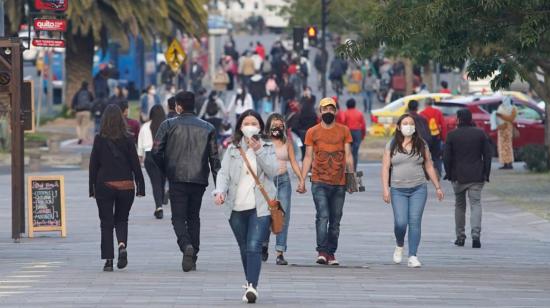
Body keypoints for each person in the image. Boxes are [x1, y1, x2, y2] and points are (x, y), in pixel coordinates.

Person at [213, 110, 278, 303]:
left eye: (254, 123)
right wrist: (219, 191)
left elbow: (274, 171)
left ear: (260, 126)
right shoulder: (232, 149)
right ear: (240, 127)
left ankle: (252, 287)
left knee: (253, 246)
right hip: (236, 207)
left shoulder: (267, 146)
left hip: (260, 206)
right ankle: (250, 281)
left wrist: (258, 150)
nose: (250, 126)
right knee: (244, 247)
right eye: (246, 123)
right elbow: (223, 173)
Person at [153, 91, 221, 272]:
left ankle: (186, 246)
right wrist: (219, 186)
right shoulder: (208, 128)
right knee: (193, 217)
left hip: (177, 178)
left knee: (178, 218)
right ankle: (194, 252)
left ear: (178, 107)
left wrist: (167, 169)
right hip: (199, 179)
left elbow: (156, 151)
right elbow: (215, 159)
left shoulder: (168, 125)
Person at [381, 113, 444, 268]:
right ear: (398, 126)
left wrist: (437, 186)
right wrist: (385, 189)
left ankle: (413, 255)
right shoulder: (391, 144)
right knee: (401, 223)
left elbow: (429, 165)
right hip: (398, 189)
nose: (408, 126)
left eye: (411, 124)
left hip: (418, 188)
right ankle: (399, 244)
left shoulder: (421, 144)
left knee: (415, 221)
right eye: (405, 123)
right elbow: (385, 168)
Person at [297, 97, 354, 266]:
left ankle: (331, 253)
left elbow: (349, 156)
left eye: (331, 109)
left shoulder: (344, 130)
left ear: (336, 111)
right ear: (320, 112)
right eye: (325, 109)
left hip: (340, 183)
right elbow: (308, 157)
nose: (328, 112)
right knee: (323, 216)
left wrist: (353, 182)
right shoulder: (312, 132)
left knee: (335, 220)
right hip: (319, 181)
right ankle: (321, 251)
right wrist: (302, 181)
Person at [89, 104, 145, 272]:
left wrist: (92, 188)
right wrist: (140, 186)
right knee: (122, 219)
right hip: (126, 185)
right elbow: (135, 164)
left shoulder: (99, 139)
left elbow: (93, 165)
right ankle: (122, 245)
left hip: (105, 185)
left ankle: (108, 260)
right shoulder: (128, 138)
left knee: (106, 223)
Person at [443, 109, 492, 249]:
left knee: (459, 205)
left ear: (458, 119)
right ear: (470, 119)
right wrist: (486, 174)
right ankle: (476, 236)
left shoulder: (452, 135)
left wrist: (448, 173)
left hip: (458, 176)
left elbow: (446, 157)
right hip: (477, 176)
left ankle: (460, 237)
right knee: (476, 204)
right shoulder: (480, 133)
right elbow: (487, 155)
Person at [261, 113, 304, 265]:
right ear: (269, 126)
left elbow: (293, 162)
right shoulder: (263, 142)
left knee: (282, 217)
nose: (277, 128)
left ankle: (280, 252)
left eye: (280, 125)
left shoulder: (287, 143)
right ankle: (264, 244)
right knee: (266, 215)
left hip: (283, 181)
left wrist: (301, 179)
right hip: (267, 182)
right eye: (274, 125)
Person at [138, 105, 167, 219]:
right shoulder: (166, 126)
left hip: (150, 156)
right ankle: (162, 194)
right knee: (162, 181)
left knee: (155, 182)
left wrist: (140, 155)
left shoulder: (145, 126)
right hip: (164, 156)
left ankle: (158, 207)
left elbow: (140, 144)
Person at [420, 98, 446, 177]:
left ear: (425, 104)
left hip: (426, 138)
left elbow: (421, 127)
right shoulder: (438, 112)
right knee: (437, 157)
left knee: (426, 156)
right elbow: (443, 126)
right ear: (432, 104)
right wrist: (443, 138)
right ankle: (438, 172)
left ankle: (426, 173)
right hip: (436, 137)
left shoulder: (422, 113)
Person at [342, 98, 367, 171]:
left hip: (348, 132)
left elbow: (343, 123)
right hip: (357, 133)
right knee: (355, 153)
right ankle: (354, 169)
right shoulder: (359, 113)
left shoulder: (345, 113)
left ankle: (347, 168)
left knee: (347, 152)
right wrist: (363, 135)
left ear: (347, 105)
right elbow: (363, 125)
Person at [495, 96, 517, 169]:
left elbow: (511, 118)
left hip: (508, 129)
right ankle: (505, 163)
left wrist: (501, 116)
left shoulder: (512, 108)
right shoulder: (501, 107)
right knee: (502, 147)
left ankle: (509, 163)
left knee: (508, 146)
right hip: (501, 129)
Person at [296, 87, 318, 159]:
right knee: (301, 144)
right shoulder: (302, 100)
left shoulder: (312, 99)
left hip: (308, 129)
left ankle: (306, 157)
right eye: (306, 90)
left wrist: (309, 96)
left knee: (306, 145)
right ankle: (304, 156)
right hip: (302, 130)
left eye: (308, 90)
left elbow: (312, 100)